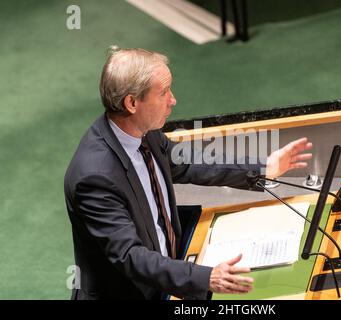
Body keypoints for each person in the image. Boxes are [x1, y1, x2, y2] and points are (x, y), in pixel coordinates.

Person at [64, 47, 313, 300]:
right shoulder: (95, 177)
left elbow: (188, 162)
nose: (173, 100)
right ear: (132, 103)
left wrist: (263, 168)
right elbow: (131, 256)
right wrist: (206, 278)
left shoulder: (143, 131)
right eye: (163, 93)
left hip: (169, 268)